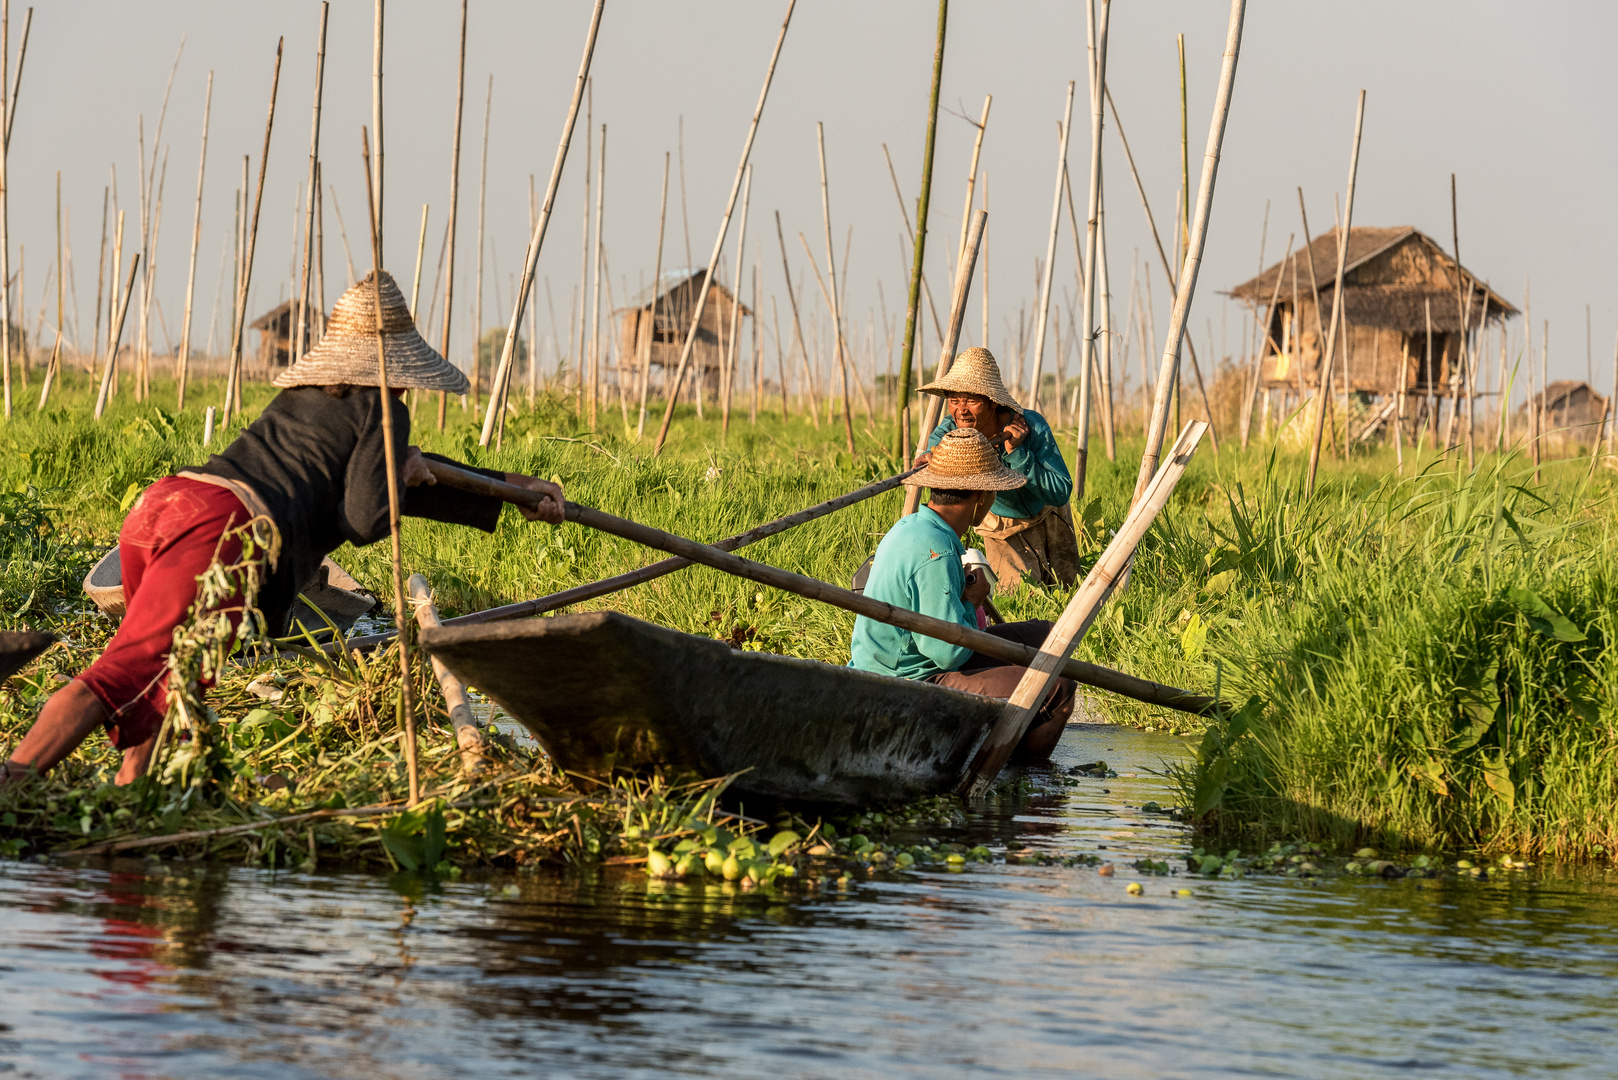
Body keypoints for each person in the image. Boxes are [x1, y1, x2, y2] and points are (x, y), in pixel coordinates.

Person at [0, 270, 563, 788]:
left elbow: (356, 484)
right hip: (223, 533)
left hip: (165, 505)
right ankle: (13, 785)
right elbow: (367, 518)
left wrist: (511, 488)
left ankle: (131, 803)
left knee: (176, 684)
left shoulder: (306, 400)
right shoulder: (385, 408)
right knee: (124, 673)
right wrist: (400, 473)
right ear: (399, 362)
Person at [851, 428, 1076, 761]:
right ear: (981, 498)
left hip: (922, 656)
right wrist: (970, 601)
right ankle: (1021, 776)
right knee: (1058, 689)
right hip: (909, 679)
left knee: (1050, 636)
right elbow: (948, 653)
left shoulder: (913, 525)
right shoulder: (936, 551)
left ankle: (1015, 729)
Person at [914, 347, 1078, 594]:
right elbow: (935, 474)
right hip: (999, 526)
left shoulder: (1031, 425)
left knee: (1068, 591)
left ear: (992, 402)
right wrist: (932, 458)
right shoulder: (948, 438)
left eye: (971, 400)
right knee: (1020, 598)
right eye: (955, 401)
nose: (961, 410)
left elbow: (1060, 491)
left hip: (1048, 513)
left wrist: (1017, 453)